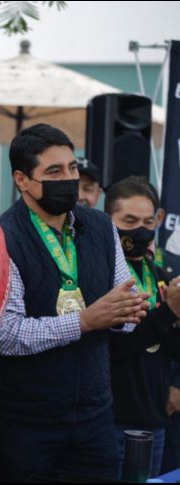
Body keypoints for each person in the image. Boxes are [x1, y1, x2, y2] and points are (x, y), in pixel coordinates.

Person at [0, 123, 151, 482]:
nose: (69, 179)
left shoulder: (102, 227)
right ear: (22, 180)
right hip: (26, 423)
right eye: (54, 172)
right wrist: (86, 321)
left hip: (94, 415)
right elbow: (7, 334)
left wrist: (130, 311)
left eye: (72, 168)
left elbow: (126, 300)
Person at [104, 176, 180, 478]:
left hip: (155, 418)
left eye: (149, 221)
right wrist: (168, 312)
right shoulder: (103, 271)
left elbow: (171, 348)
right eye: (130, 220)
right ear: (108, 220)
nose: (141, 229)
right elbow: (116, 345)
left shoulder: (159, 270)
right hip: (112, 419)